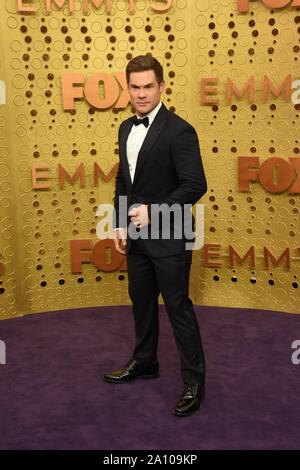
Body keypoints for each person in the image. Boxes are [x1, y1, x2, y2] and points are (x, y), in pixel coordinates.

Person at [104, 55, 207, 417]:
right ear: (127, 88)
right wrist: (118, 223)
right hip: (135, 236)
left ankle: (194, 382)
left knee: (178, 309)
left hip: (170, 236)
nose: (142, 93)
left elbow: (196, 185)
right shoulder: (123, 128)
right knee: (142, 303)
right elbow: (123, 181)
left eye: (149, 86)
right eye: (135, 87)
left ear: (162, 86)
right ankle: (145, 361)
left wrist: (154, 210)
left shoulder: (179, 130)